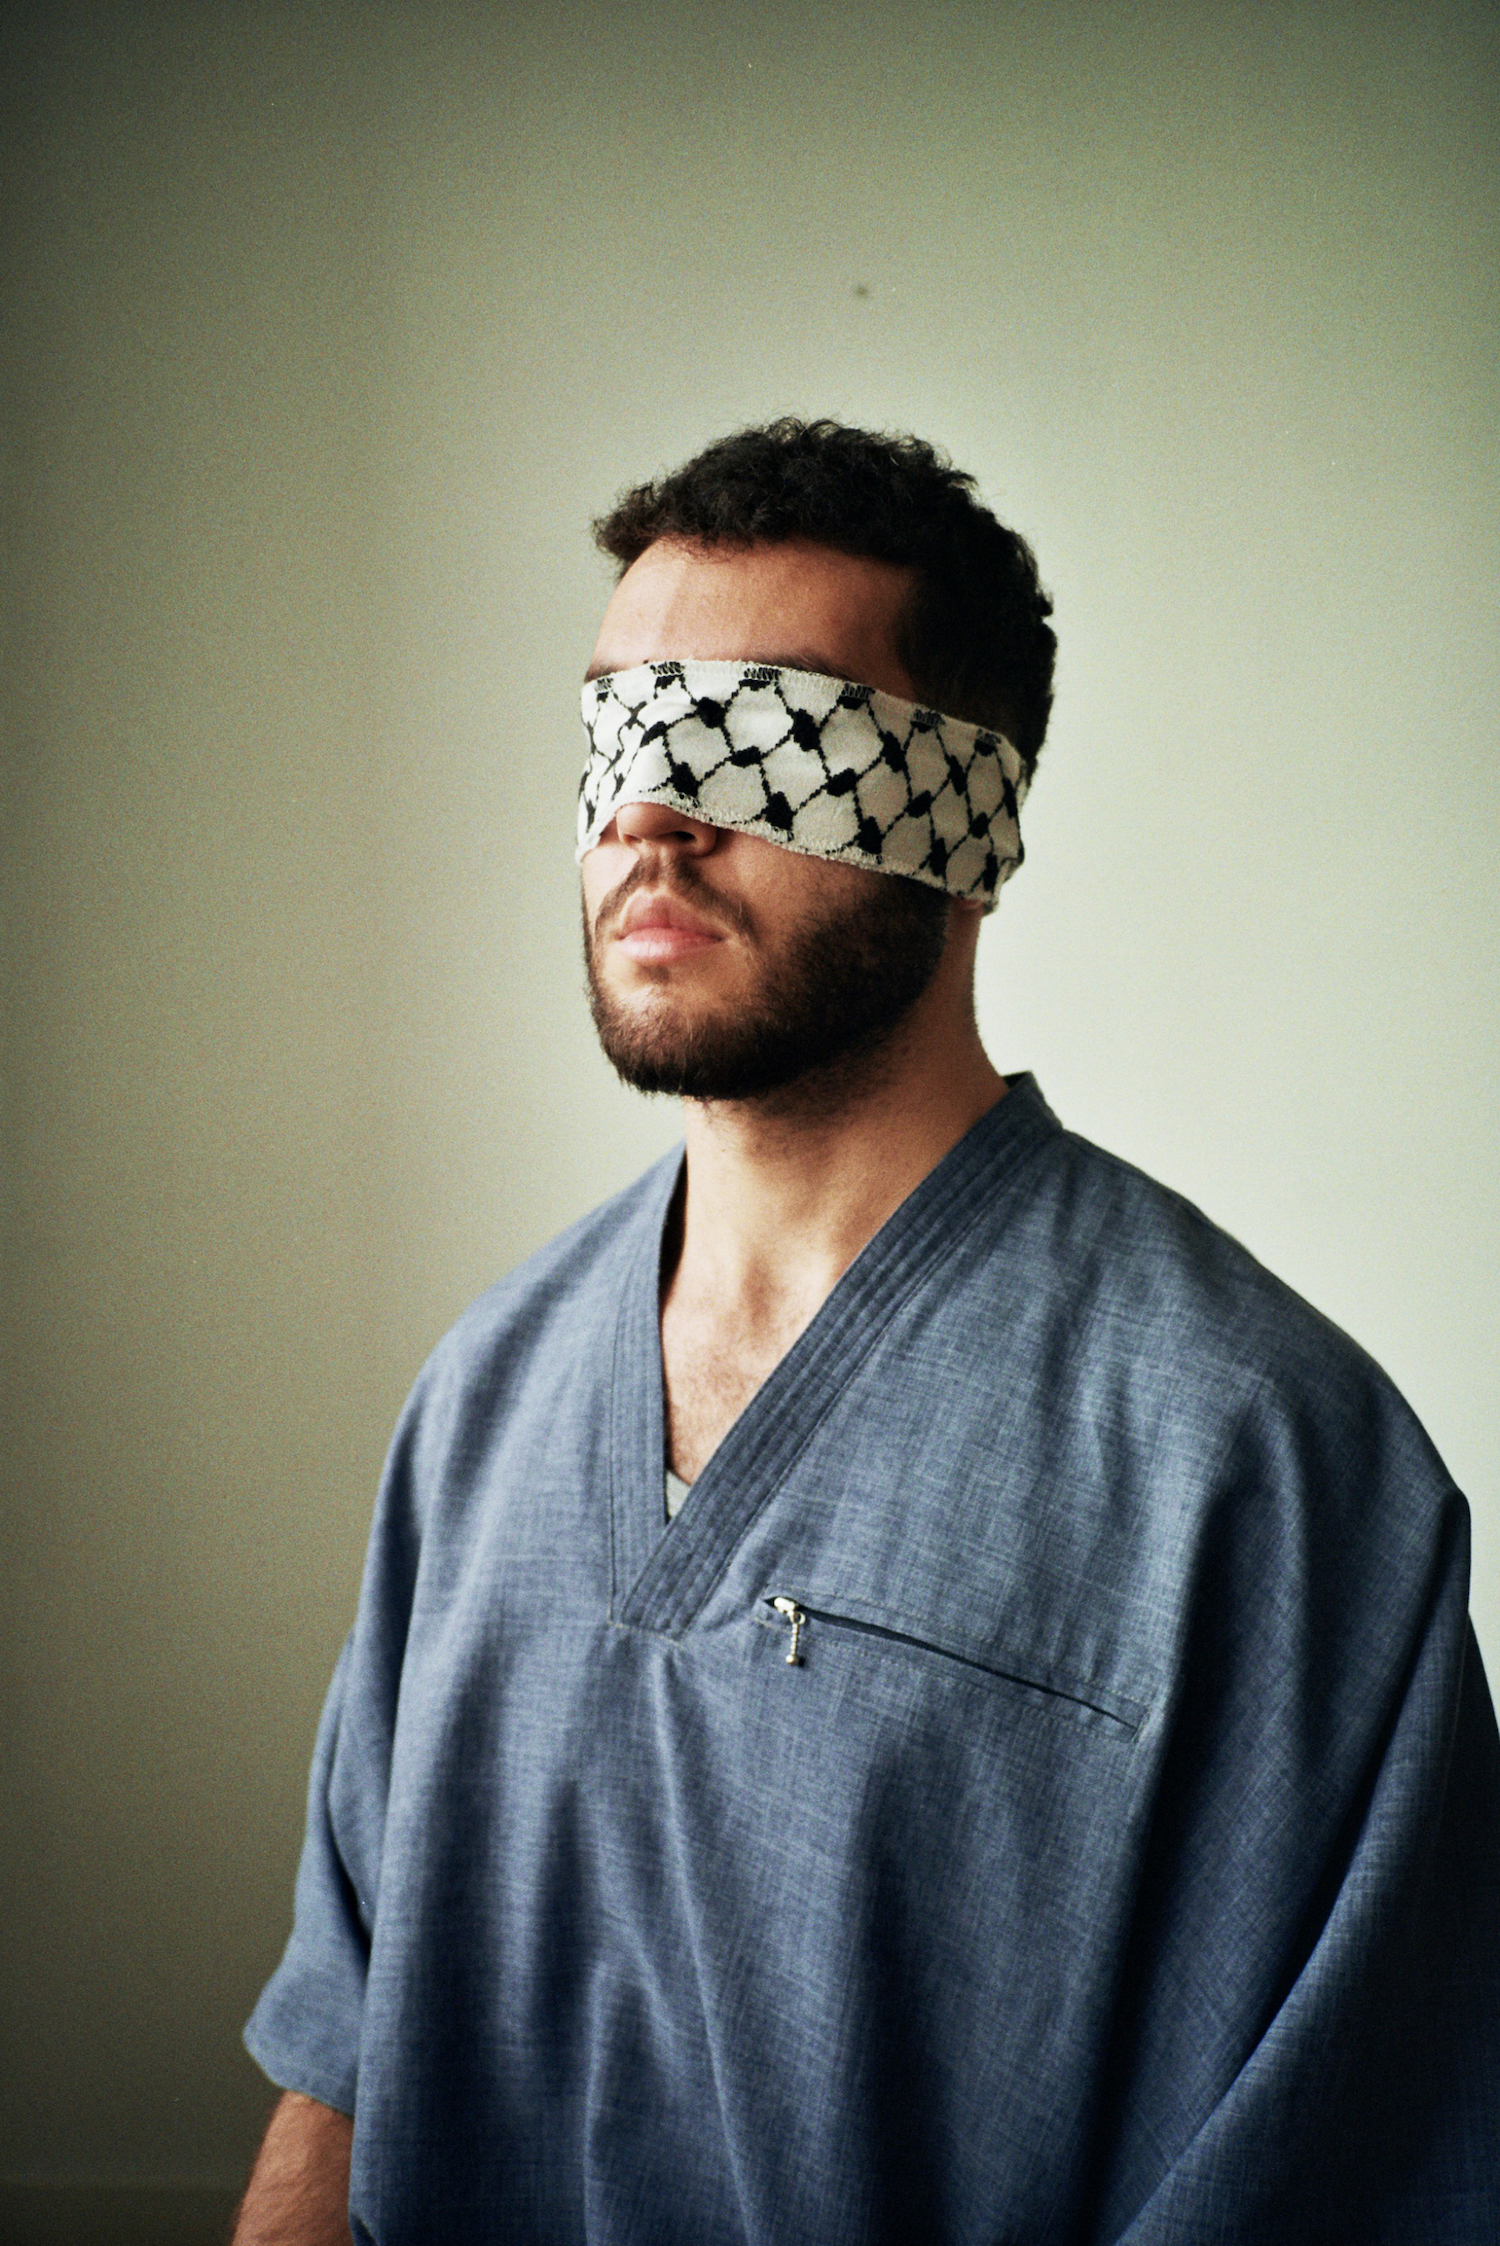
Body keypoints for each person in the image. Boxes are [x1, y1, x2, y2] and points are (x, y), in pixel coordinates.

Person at [235, 420, 1500, 2245]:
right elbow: (344, 2058)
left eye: (764, 734)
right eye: (617, 727)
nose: (650, 815)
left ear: (966, 823)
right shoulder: (483, 1399)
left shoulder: (1267, 1461)